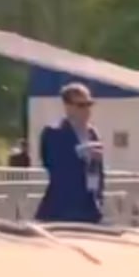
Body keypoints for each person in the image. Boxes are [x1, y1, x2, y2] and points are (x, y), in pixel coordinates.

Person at [35, 81, 105, 224]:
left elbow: (99, 172)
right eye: (81, 105)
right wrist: (80, 154)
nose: (86, 110)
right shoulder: (54, 132)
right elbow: (52, 164)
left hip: (89, 210)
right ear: (68, 107)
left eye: (89, 104)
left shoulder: (92, 133)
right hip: (61, 209)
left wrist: (99, 197)